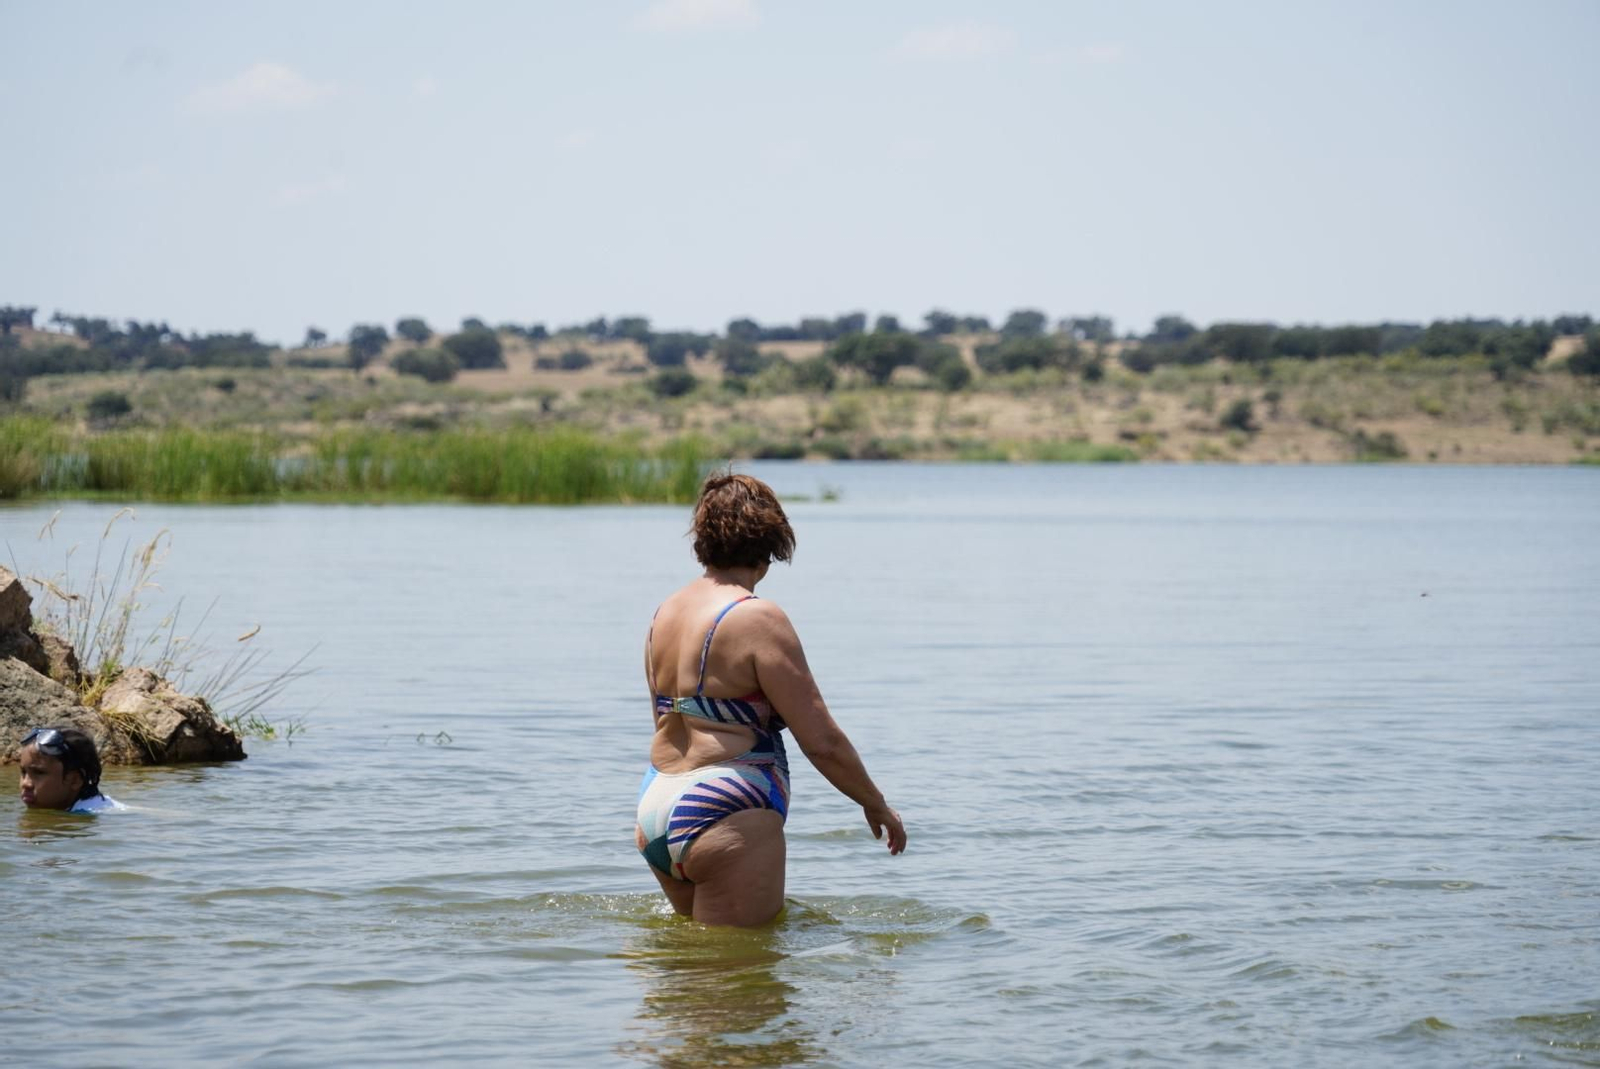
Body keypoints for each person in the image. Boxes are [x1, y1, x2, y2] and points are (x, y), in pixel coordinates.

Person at [635, 471, 905, 927]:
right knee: (745, 986)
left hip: (657, 803)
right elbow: (821, 740)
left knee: (689, 983)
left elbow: (664, 718)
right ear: (770, 544)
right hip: (726, 807)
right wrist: (874, 802)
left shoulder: (666, 612)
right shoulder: (757, 616)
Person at [16, 726, 126, 813]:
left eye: (39, 773)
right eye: (23, 772)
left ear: (74, 780)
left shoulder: (90, 817)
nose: (25, 784)